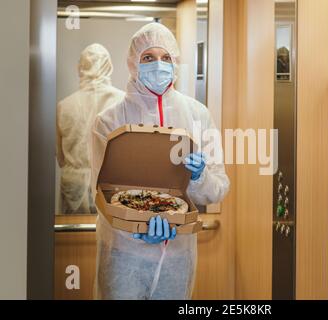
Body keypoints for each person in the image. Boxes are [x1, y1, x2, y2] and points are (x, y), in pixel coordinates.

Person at [90, 23, 230, 300]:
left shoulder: (197, 115)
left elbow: (219, 188)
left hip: (178, 258)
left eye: (166, 57)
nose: (159, 65)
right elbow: (99, 191)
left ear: (176, 62)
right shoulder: (109, 121)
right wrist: (136, 230)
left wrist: (200, 177)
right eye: (148, 58)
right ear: (132, 63)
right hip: (123, 255)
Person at [57, 44, 125, 214]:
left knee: (73, 237)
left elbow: (61, 158)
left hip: (74, 186)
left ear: (80, 67)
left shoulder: (64, 106)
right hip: (111, 186)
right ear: (109, 65)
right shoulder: (123, 102)